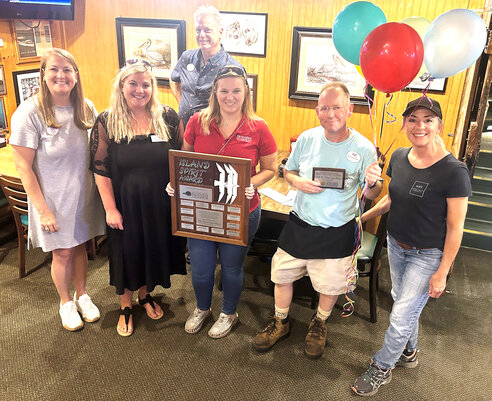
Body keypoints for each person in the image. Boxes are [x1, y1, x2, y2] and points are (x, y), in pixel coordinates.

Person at [253, 82, 383, 358]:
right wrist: (297, 181)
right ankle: (281, 322)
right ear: (317, 111)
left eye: (337, 107)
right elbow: (287, 172)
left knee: (330, 285)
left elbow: (372, 192)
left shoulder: (363, 147)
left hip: (338, 229)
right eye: (325, 107)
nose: (331, 113)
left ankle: (319, 323)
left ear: (349, 110)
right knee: (281, 276)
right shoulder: (307, 139)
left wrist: (373, 182)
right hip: (301, 223)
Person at [352, 96, 471, 396]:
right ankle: (409, 352)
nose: (420, 126)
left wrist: (443, 271)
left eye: (428, 120)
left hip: (428, 254)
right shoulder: (400, 157)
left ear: (439, 126)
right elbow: (393, 199)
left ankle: (382, 366)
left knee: (402, 313)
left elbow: (456, 227)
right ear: (405, 124)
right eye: (413, 120)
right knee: (402, 302)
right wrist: (362, 218)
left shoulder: (453, 171)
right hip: (396, 245)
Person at [167, 65, 277, 338]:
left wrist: (251, 183)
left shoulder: (258, 127)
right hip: (202, 209)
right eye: (224, 90)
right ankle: (202, 309)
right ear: (215, 92)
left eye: (236, 90)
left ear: (246, 93)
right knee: (202, 268)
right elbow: (186, 160)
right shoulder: (197, 121)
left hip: (241, 210)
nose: (230, 96)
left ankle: (229, 313)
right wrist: (176, 182)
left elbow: (270, 169)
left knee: (231, 266)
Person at [10, 48, 105, 331]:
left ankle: (82, 294)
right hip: (51, 199)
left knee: (79, 248)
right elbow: (24, 168)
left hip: (82, 196)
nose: (61, 75)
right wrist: (43, 210)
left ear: (76, 75)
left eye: (67, 70)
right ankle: (65, 302)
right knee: (62, 253)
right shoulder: (29, 113)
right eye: (54, 69)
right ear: (43, 74)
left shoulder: (86, 108)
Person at [90, 60, 186, 337]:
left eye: (146, 84)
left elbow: (183, 157)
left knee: (152, 249)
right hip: (125, 203)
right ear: (122, 86)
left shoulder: (167, 116)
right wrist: (110, 208)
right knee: (127, 251)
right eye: (133, 83)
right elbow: (100, 169)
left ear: (153, 87)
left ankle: (145, 296)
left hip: (160, 201)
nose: (140, 90)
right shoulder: (107, 121)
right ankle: (125, 305)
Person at [170, 5, 244, 128]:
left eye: (207, 30)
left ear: (220, 32)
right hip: (183, 128)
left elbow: (239, 107)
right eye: (198, 30)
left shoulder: (232, 68)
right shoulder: (186, 57)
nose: (202, 34)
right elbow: (174, 80)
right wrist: (181, 101)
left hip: (212, 133)